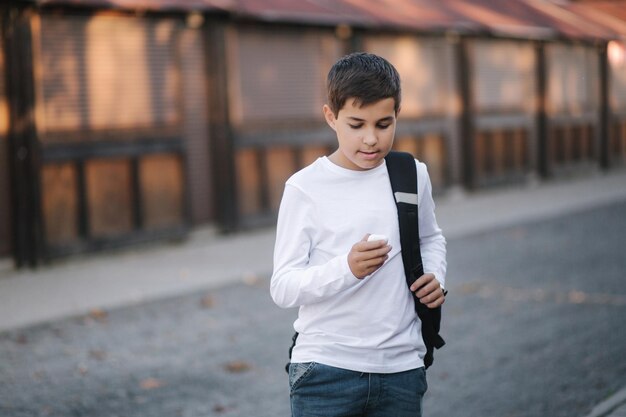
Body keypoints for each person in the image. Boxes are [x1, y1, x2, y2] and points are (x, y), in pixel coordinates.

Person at [270, 52, 447, 417]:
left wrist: (435, 276)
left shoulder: (412, 174)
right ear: (330, 117)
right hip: (325, 370)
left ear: (398, 113)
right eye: (356, 125)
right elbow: (283, 286)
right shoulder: (304, 187)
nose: (370, 139)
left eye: (383, 124)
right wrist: (346, 268)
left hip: (401, 368)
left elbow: (431, 238)